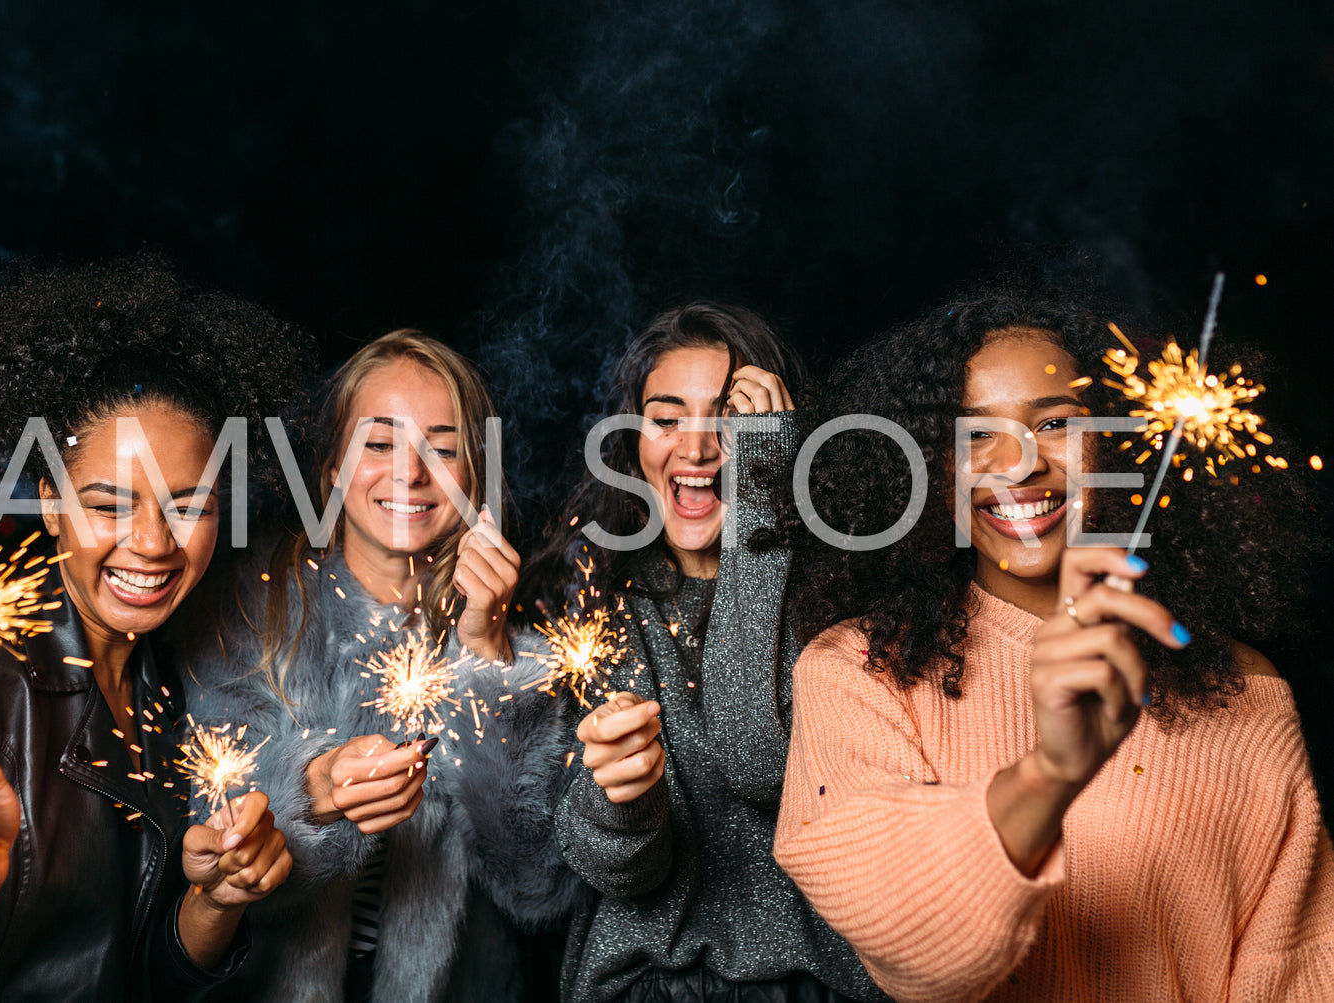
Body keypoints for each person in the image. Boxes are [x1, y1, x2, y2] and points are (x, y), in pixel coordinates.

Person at [774, 289, 1334, 1001]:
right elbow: (908, 952)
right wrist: (1049, 771)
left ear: (1115, 441)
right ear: (925, 467)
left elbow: (1297, 965)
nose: (1018, 463)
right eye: (974, 435)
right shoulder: (856, 670)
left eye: (1057, 422)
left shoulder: (1243, 687)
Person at [0, 255, 305, 1002]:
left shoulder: (172, 683)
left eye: (189, 505)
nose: (152, 543)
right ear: (50, 502)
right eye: (109, 503)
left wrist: (215, 902)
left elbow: (140, 976)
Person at [179, 329, 575, 1002]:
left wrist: (486, 653)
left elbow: (536, 883)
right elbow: (213, 831)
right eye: (379, 443)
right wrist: (316, 788)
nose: (410, 472)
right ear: (332, 467)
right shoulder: (250, 612)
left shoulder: (519, 651)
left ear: (473, 475)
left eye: (442, 449)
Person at [526, 303, 883, 1002]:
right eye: (666, 418)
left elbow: (758, 756)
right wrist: (622, 799)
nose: (695, 449)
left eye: (729, 420)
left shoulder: (842, 605)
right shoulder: (589, 604)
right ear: (631, 444)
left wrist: (763, 488)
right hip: (645, 982)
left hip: (818, 983)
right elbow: (620, 872)